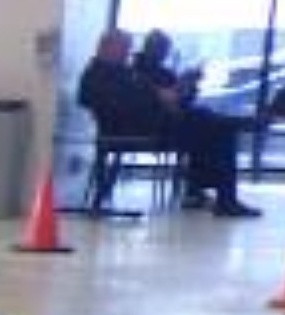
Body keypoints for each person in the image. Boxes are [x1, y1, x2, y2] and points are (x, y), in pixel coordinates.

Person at [77, 29, 256, 217]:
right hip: (135, 129)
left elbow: (145, 91)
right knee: (213, 127)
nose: (126, 53)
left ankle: (204, 192)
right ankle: (220, 196)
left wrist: (172, 93)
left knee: (210, 126)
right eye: (123, 48)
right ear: (107, 47)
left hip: (152, 123)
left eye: (127, 49)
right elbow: (102, 99)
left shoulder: (123, 72)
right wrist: (156, 96)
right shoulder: (97, 74)